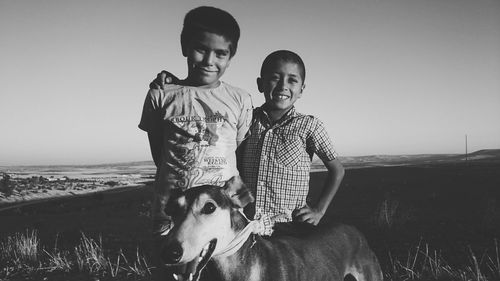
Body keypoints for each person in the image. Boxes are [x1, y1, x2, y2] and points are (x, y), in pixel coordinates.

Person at [139, 5, 253, 241]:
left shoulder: (240, 99)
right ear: (185, 46)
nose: (209, 61)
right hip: (172, 208)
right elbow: (159, 154)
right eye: (201, 49)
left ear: (231, 57)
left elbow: (237, 146)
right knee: (174, 269)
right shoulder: (161, 95)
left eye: (220, 53)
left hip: (224, 208)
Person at [238, 50, 345, 236]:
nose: (283, 86)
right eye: (274, 78)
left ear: (302, 89)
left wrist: (319, 210)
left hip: (288, 227)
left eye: (292, 80)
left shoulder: (309, 126)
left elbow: (337, 170)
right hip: (246, 224)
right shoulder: (247, 119)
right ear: (260, 84)